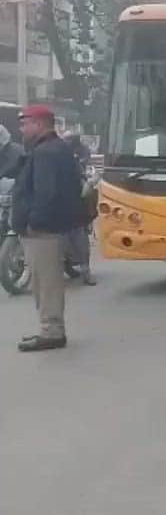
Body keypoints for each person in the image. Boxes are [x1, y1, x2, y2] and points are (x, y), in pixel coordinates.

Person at [11, 105, 94, 352]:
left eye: (25, 123)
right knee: (42, 281)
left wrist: (34, 222)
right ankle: (48, 328)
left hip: (43, 230)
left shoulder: (47, 152)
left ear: (39, 124)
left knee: (46, 282)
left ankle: (52, 331)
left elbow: (46, 193)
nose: (22, 129)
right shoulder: (55, 149)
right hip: (49, 227)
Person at [63, 134, 96, 286]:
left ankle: (85, 270)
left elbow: (85, 177)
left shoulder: (78, 156)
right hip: (56, 203)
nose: (66, 142)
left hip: (74, 202)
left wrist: (87, 181)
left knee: (78, 235)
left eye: (69, 139)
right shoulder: (54, 156)